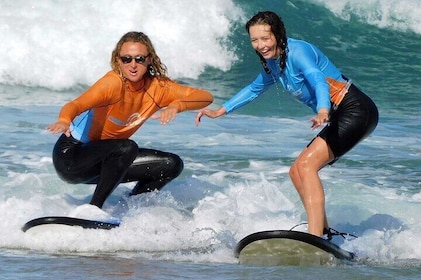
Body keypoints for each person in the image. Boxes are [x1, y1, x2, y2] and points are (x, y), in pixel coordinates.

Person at [195, 11, 378, 238]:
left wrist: (323, 110)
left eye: (265, 38)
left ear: (278, 35)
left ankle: (314, 237)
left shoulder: (298, 52)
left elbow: (317, 78)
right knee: (296, 172)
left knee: (307, 167)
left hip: (356, 110)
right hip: (339, 114)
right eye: (255, 40)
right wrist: (220, 111)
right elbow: (254, 88)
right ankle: (323, 232)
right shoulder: (274, 64)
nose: (260, 45)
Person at [47, 31, 213, 210]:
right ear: (118, 60)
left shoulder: (158, 88)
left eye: (139, 59)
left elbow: (205, 97)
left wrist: (176, 106)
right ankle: (94, 210)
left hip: (109, 159)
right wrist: (64, 119)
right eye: (126, 59)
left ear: (149, 59)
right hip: (72, 157)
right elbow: (76, 104)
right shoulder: (112, 84)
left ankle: (129, 207)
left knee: (171, 165)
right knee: (126, 147)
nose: (133, 65)